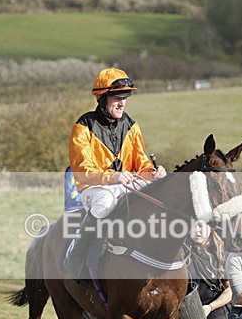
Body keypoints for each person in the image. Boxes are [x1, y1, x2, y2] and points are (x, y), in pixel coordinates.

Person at [64, 68, 166, 278]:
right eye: (117, 98)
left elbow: (141, 163)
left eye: (125, 98)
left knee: (159, 195)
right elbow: (83, 170)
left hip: (125, 185)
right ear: (102, 98)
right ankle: (77, 254)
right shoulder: (83, 127)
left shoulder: (131, 126)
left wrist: (153, 173)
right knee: (105, 202)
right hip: (94, 188)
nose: (122, 103)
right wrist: (113, 177)